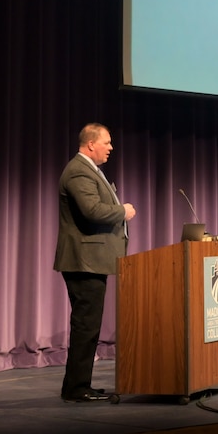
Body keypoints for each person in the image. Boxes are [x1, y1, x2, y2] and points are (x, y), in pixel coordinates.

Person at [53, 123, 138, 403]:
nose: (111, 147)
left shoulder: (89, 170)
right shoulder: (78, 170)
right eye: (107, 142)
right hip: (83, 261)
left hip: (91, 261)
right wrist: (121, 211)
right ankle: (76, 388)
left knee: (89, 325)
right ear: (91, 144)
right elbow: (91, 210)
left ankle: (78, 385)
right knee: (86, 325)